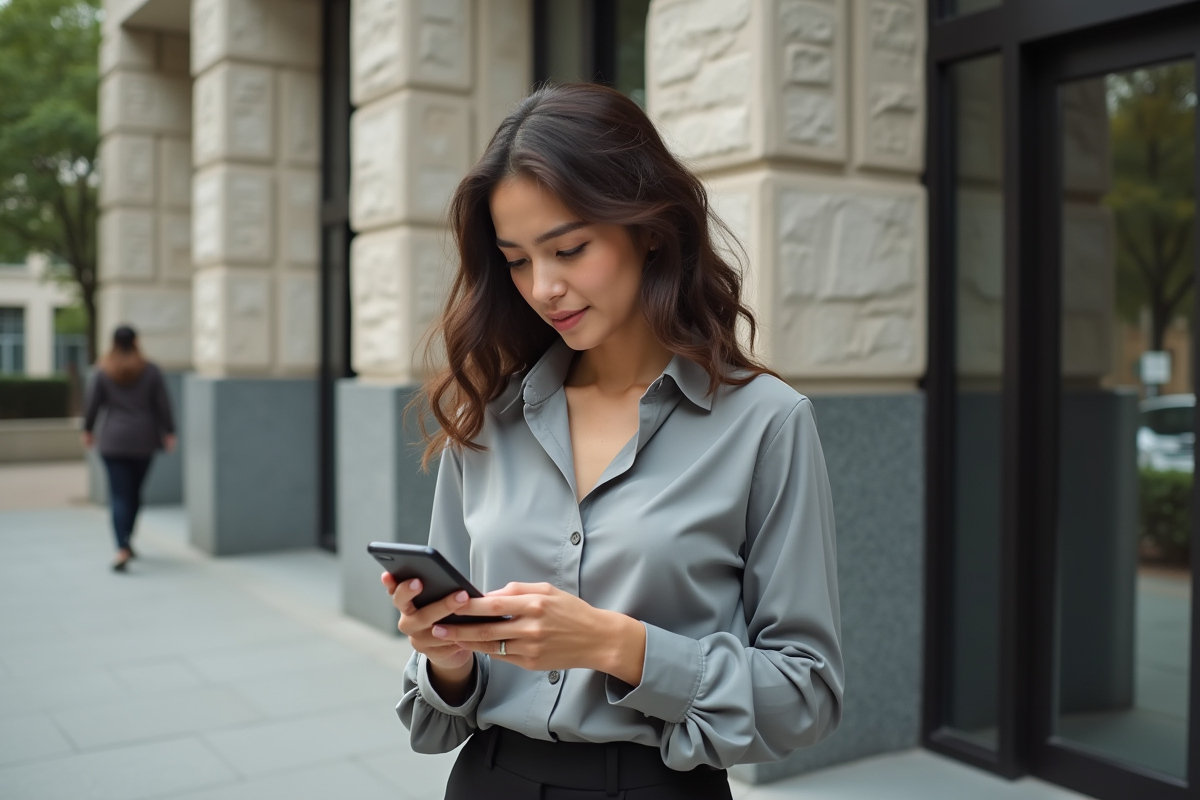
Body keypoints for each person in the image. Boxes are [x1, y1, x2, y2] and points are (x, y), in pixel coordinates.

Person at [381, 83, 843, 800]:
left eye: (569, 249)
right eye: (517, 260)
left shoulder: (765, 423)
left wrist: (615, 645)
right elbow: (439, 709)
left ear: (649, 228)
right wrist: (445, 655)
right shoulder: (490, 417)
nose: (544, 287)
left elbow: (805, 693)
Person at [83, 325, 176, 571]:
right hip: (144, 440)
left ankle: (121, 547)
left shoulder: (103, 369)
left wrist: (88, 430)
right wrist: (169, 431)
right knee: (134, 493)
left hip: (113, 441)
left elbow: (93, 404)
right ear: (136, 342)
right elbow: (162, 403)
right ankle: (127, 541)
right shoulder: (150, 369)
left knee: (119, 495)